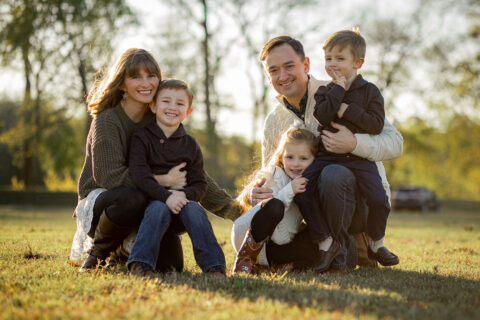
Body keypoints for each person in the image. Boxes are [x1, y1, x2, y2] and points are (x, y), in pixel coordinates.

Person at [69, 48, 242, 272]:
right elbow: (108, 177)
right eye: (135, 77)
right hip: (108, 204)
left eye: (151, 75)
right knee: (134, 196)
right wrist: (163, 179)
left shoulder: (163, 115)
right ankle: (98, 254)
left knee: (171, 266)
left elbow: (190, 173)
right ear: (122, 83)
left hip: (153, 202)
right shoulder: (107, 119)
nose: (146, 83)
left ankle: (125, 249)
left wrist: (233, 209)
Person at [249, 35, 403, 272]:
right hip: (307, 203)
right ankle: (330, 247)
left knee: (333, 173)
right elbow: (270, 168)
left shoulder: (338, 91)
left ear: (306, 65)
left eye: (289, 66)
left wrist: (353, 143)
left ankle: (351, 243)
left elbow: (395, 143)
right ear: (268, 76)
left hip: (353, 199)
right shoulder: (273, 121)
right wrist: (258, 188)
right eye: (274, 70)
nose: (282, 76)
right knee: (275, 246)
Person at [295, 30, 399, 270]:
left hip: (359, 159)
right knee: (301, 189)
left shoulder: (370, 91)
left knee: (379, 199)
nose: (333, 64)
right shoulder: (324, 91)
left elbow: (374, 124)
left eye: (340, 58)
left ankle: (376, 243)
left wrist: (344, 110)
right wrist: (338, 91)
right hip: (327, 157)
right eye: (329, 58)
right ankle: (325, 241)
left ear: (357, 62)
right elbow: (322, 116)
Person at [127, 79, 226, 277]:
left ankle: (214, 267)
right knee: (158, 207)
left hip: (182, 207)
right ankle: (140, 264)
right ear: (153, 106)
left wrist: (182, 197)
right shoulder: (141, 138)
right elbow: (139, 176)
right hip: (150, 208)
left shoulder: (191, 145)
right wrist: (166, 196)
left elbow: (200, 183)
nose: (173, 107)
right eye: (166, 101)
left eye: (180, 103)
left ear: (188, 112)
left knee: (195, 209)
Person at [231, 127, 316, 275]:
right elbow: (274, 221)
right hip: (250, 235)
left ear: (314, 160)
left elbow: (285, 234)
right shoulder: (274, 175)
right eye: (289, 157)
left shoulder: (308, 184)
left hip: (273, 249)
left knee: (316, 250)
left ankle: (269, 268)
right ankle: (244, 259)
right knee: (275, 205)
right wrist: (290, 190)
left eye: (303, 158)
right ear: (282, 157)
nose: (295, 164)